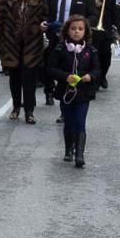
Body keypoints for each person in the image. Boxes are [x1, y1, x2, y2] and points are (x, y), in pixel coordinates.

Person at [0, 0, 48, 123]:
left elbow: (45, 15)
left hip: (32, 43)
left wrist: (43, 24)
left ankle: (29, 111)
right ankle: (16, 107)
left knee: (30, 77)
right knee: (14, 76)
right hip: (11, 42)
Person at [47, 15, 100, 168]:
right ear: (67, 31)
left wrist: (91, 76)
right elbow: (50, 68)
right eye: (73, 29)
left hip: (84, 93)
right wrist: (65, 77)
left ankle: (80, 154)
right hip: (66, 92)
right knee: (69, 122)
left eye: (80, 29)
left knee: (80, 122)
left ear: (85, 32)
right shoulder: (60, 49)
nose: (77, 32)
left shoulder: (91, 50)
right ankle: (68, 149)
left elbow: (97, 69)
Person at [44, 0, 98, 107]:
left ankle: (67, 104)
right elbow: (49, 15)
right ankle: (50, 92)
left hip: (74, 42)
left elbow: (94, 15)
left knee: (70, 72)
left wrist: (80, 27)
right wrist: (46, 24)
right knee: (52, 67)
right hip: (55, 38)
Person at [84, 0, 116, 89]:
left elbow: (113, 11)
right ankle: (93, 79)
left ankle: (102, 76)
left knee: (105, 55)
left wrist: (115, 29)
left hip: (103, 29)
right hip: (86, 29)